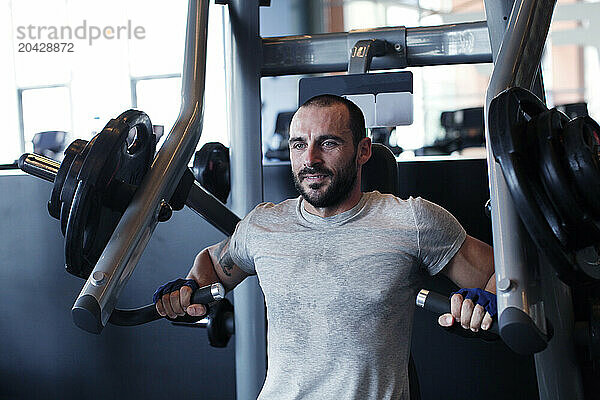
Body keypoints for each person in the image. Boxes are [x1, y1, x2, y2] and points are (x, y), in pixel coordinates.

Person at [155, 95, 496, 400]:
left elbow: (498, 273)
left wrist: (486, 306)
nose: (311, 159)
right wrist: (188, 287)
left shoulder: (412, 220)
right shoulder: (262, 226)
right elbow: (213, 264)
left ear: (363, 150)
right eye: (299, 145)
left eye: (328, 143)